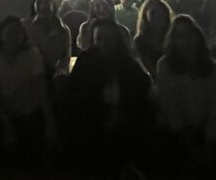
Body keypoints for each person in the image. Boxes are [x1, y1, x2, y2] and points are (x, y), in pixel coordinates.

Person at [62, 18, 152, 175]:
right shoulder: (85, 61)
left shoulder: (128, 63)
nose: (104, 43)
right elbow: (74, 94)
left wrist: (123, 111)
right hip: (92, 123)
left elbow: (142, 88)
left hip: (125, 120)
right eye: (99, 39)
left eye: (108, 38)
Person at [153, 15, 216, 176]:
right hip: (175, 131)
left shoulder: (211, 69)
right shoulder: (165, 66)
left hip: (203, 130)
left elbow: (215, 108)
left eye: (189, 35)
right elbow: (170, 106)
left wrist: (210, 143)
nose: (186, 41)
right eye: (180, 36)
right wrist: (188, 141)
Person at [0, 16, 57, 163]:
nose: (14, 36)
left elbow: (40, 87)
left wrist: (50, 121)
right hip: (3, 111)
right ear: (1, 35)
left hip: (28, 110)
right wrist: (5, 121)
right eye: (10, 32)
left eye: (18, 32)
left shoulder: (32, 54)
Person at [24, 0, 72, 79]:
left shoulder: (63, 30)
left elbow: (65, 59)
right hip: (29, 75)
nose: (43, 6)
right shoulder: (26, 27)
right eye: (39, 3)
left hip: (53, 76)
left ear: (53, 5)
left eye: (46, 2)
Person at [134, 0, 172, 77]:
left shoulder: (174, 35)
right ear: (145, 16)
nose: (158, 16)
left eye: (161, 13)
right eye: (153, 13)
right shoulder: (140, 41)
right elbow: (150, 68)